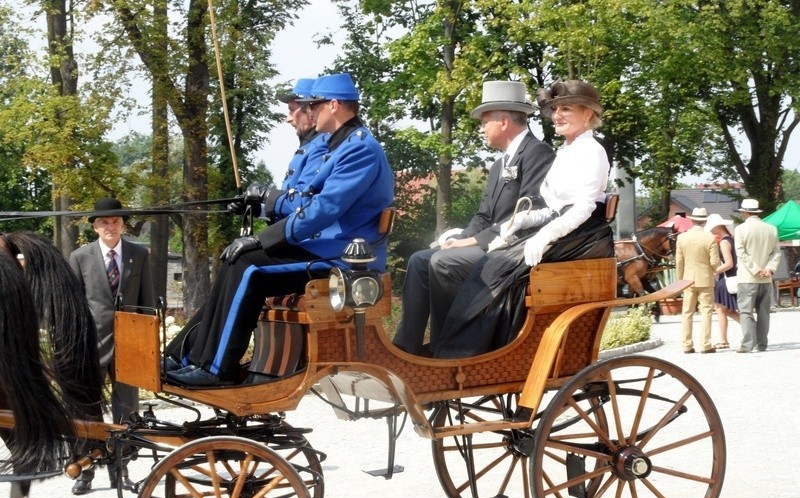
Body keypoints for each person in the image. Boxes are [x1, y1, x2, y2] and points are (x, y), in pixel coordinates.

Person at [166, 73, 394, 386]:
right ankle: (193, 358)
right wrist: (258, 208)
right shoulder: (337, 146)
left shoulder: (360, 150)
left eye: (314, 105)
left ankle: (216, 370)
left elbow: (321, 210)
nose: (309, 111)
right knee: (236, 260)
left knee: (249, 267)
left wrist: (260, 239)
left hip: (344, 261)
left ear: (335, 105)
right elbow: (304, 201)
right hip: (320, 247)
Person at [432, 79, 615, 359]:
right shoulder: (568, 151)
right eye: (555, 109)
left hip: (580, 236)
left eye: (566, 108)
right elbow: (552, 206)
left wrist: (544, 236)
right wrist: (519, 222)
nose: (557, 115)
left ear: (587, 114)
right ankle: (464, 348)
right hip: (563, 228)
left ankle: (471, 351)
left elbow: (582, 208)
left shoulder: (592, 151)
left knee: (497, 267)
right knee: (493, 263)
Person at [392, 80, 555, 356]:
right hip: (491, 247)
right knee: (420, 260)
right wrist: (462, 239)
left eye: (484, 122)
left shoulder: (538, 153)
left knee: (443, 263)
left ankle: (447, 349)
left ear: (504, 121)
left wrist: (473, 242)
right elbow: (483, 215)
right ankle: (406, 350)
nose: (481, 129)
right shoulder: (498, 164)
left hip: (514, 253)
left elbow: (531, 213)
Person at [69, 198, 154, 494]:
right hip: (91, 344)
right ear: (95, 227)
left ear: (123, 224)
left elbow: (147, 304)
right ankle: (85, 470)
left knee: (127, 409)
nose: (110, 226)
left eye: (115, 221)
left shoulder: (139, 254)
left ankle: (121, 469)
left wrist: (147, 346)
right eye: (104, 222)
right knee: (87, 408)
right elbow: (74, 307)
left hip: (130, 345)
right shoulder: (80, 257)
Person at [229, 78, 329, 220]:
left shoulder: (320, 148)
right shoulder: (310, 147)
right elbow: (290, 210)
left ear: (311, 110)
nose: (288, 119)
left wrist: (266, 194)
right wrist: (258, 210)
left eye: (292, 110)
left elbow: (303, 206)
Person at [733, 198, 781, 353]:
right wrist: (769, 268)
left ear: (745, 212)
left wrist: (755, 269)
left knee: (746, 311)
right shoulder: (771, 229)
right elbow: (776, 252)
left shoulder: (740, 229)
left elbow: (741, 253)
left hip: (747, 277)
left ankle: (748, 344)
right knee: (764, 312)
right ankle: (762, 343)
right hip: (766, 278)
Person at [675, 207, 720, 354]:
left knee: (687, 312)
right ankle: (705, 344)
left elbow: (679, 262)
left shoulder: (681, 238)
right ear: (705, 221)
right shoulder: (710, 237)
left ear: (692, 220)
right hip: (706, 279)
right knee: (706, 311)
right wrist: (714, 271)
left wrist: (679, 280)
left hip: (687, 279)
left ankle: (687, 345)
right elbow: (714, 262)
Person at [705, 213, 739, 349]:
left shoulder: (724, 242)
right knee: (728, 310)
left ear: (717, 227)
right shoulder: (732, 239)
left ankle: (724, 340)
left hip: (726, 279)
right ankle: (752, 327)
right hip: (733, 276)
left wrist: (714, 271)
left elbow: (729, 263)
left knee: (720, 309)